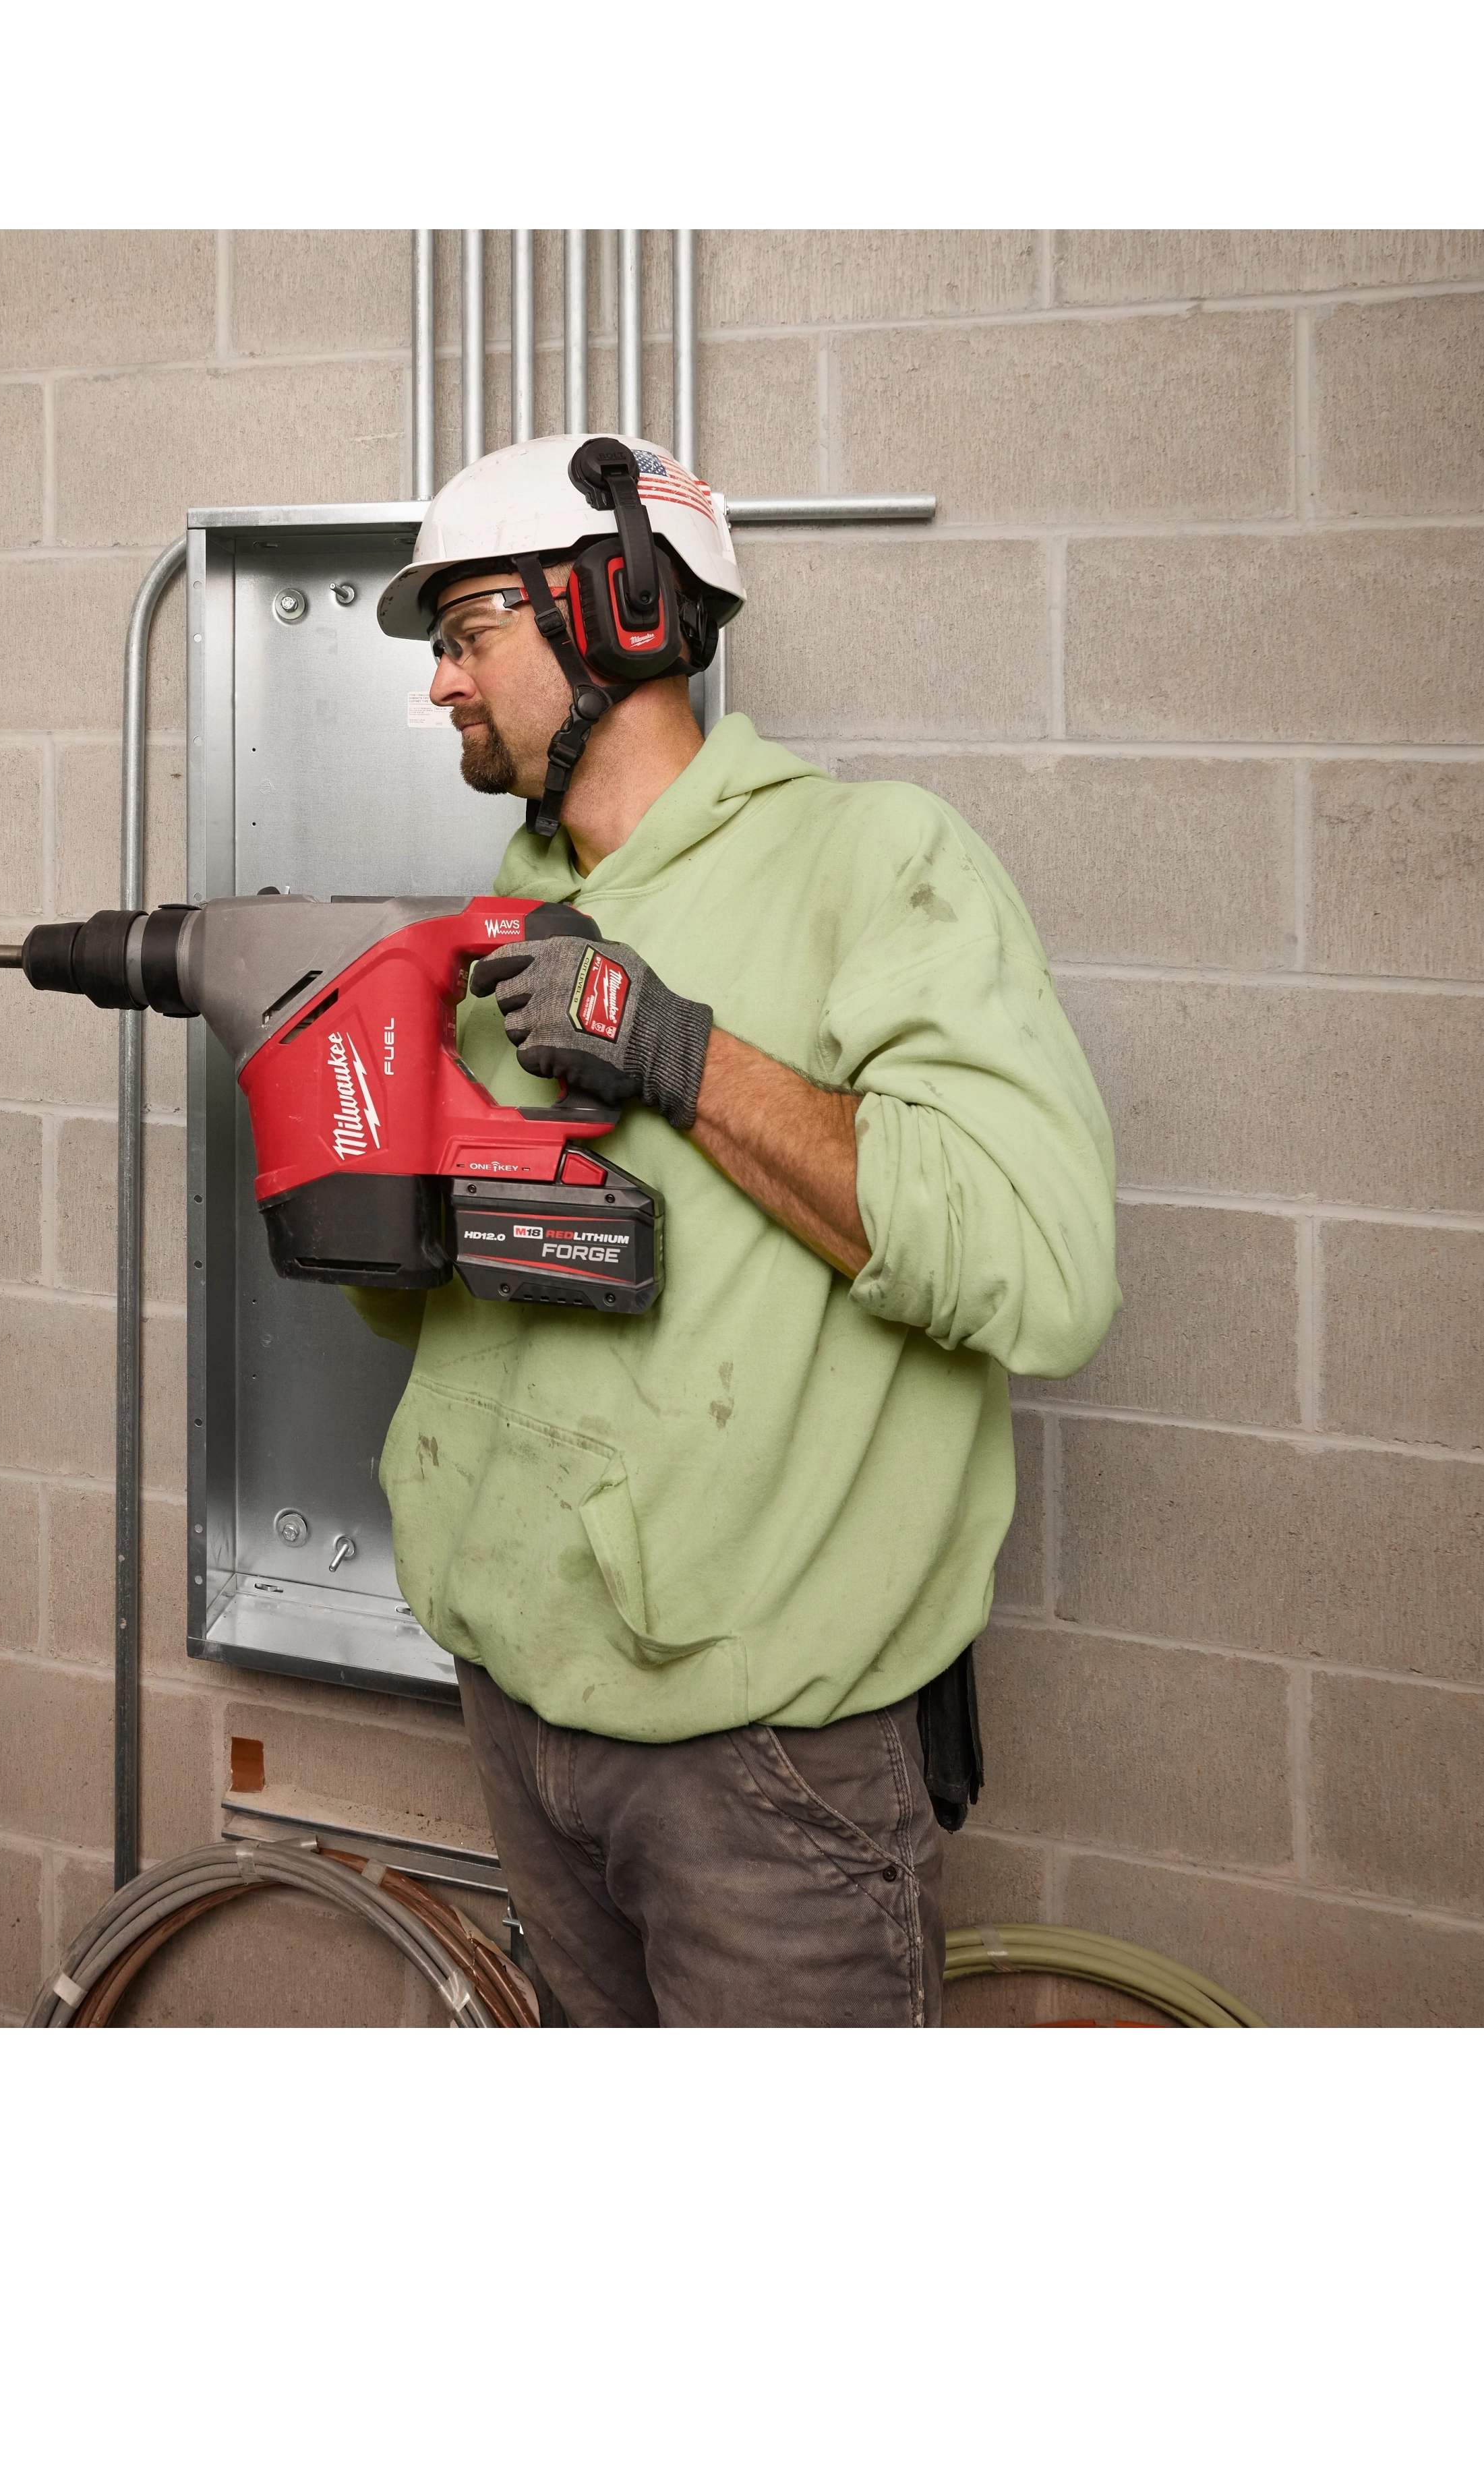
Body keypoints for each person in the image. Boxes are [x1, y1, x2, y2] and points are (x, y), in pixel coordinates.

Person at [353, 434, 1119, 2028]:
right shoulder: (503, 925)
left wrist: (675, 1050)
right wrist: (352, 1175)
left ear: (618, 607)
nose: (439, 682)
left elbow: (1040, 1267)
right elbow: (453, 1308)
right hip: (514, 1701)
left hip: (762, 1765)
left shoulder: (868, 861)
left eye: (468, 626)